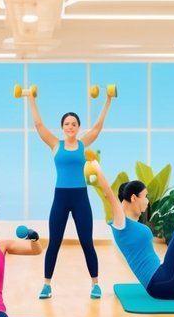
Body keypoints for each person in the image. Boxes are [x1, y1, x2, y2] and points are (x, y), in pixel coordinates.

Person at [89, 160, 174, 301]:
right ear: (133, 198)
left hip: (166, 280)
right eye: (145, 197)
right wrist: (97, 168)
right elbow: (109, 195)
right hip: (162, 284)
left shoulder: (134, 224)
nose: (148, 201)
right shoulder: (121, 224)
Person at [20, 87, 112, 300]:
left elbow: (98, 127)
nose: (70, 126)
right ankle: (46, 285)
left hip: (80, 197)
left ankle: (95, 284)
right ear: (62, 127)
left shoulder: (83, 143)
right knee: (54, 242)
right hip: (60, 198)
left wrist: (108, 100)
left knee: (86, 242)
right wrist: (30, 98)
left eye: (74, 124)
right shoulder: (55, 145)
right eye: (67, 124)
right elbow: (38, 125)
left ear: (78, 127)